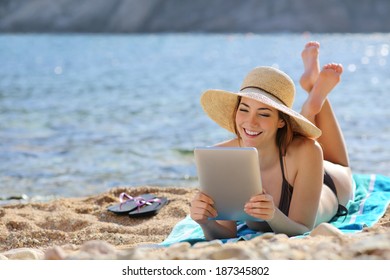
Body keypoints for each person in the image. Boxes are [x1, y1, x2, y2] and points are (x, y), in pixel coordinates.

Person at [190, 41, 355, 239]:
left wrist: (273, 215)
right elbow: (225, 233)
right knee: (303, 141)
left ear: (281, 121)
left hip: (329, 184)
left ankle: (313, 103)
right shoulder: (221, 157)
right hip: (294, 157)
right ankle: (312, 92)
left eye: (264, 114)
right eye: (244, 109)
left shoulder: (308, 150)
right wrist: (204, 222)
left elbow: (302, 229)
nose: (250, 122)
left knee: (339, 164)